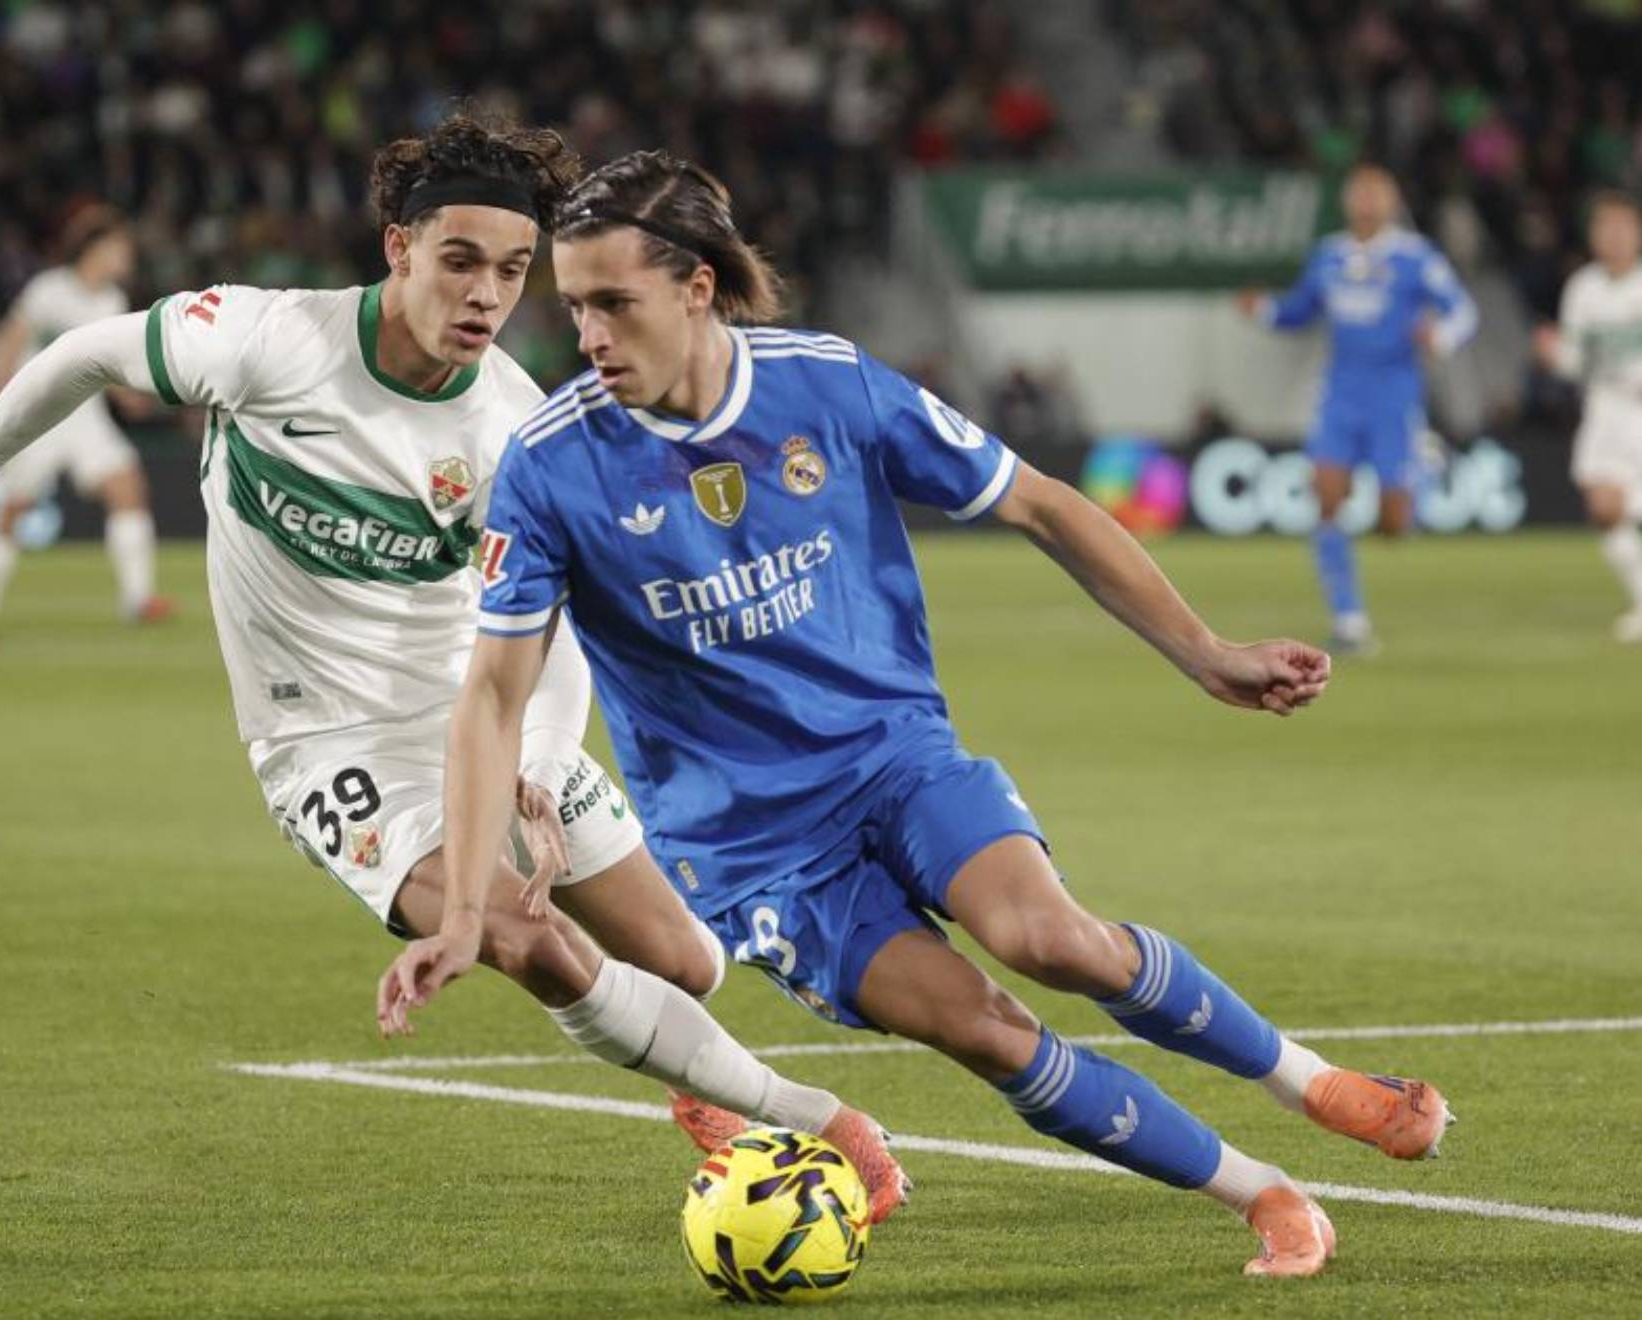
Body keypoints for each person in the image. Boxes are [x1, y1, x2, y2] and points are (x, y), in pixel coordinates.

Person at [386, 150, 1456, 1279]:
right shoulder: (552, 466)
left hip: (894, 757)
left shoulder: (828, 386)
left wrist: (1206, 653)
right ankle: (1266, 1196)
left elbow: (1038, 502)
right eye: (576, 308)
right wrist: (463, 912)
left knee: (1053, 939)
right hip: (754, 851)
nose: (589, 337)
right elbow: (492, 695)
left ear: (697, 287)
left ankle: (1314, 1082)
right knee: (984, 1027)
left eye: (616, 304)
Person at [0, 115, 904, 1217]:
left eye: (514, 272)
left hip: (478, 714)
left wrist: (541, 759)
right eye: (459, 261)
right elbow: (85, 353)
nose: (484, 295)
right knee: (526, 941)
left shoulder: (520, 430)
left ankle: (690, 1080)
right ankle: (815, 1121)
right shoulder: (267, 342)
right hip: (327, 741)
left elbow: (554, 625)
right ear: (399, 251)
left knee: (684, 962)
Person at [1238, 163, 1477, 654]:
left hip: (1395, 396)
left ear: (1391, 202)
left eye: (1376, 193)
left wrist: (1442, 336)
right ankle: (1349, 619)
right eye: (1359, 193)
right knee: (1325, 497)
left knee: (1393, 525)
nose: (1366, 202)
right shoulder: (1329, 256)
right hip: (1341, 395)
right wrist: (1263, 309)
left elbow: (1462, 309)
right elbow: (1300, 311)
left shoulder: (1415, 257)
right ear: (1348, 201)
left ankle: (1425, 466)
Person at [0, 204, 172, 641]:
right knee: (15, 508)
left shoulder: (113, 301)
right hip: (38, 413)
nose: (127, 258)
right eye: (120, 248)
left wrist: (133, 398)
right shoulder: (49, 290)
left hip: (84, 414)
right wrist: (1, 408)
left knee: (127, 487)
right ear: (97, 249)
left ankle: (139, 599)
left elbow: (107, 366)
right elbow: (10, 341)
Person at [1534, 191, 1642, 642]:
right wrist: (1552, 355)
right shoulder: (1583, 288)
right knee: (1603, 507)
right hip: (1605, 410)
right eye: (1606, 229)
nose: (1615, 237)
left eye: (1623, 228)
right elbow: (1575, 362)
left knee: (1622, 506)